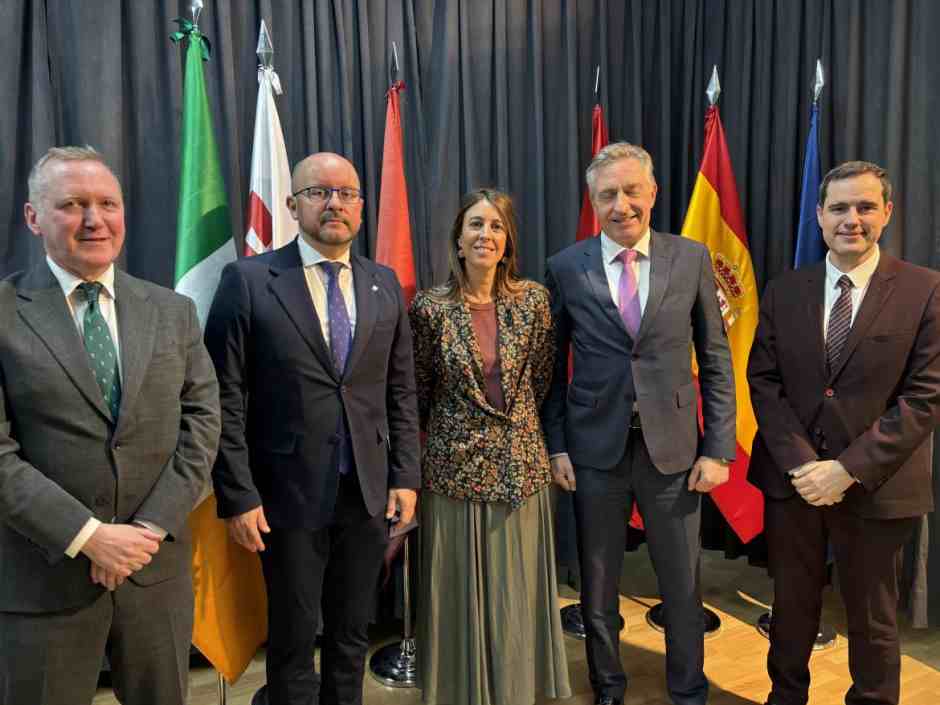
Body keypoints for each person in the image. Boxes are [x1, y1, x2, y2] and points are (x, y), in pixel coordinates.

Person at [0, 146, 221, 705]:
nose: (94, 220)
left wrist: (146, 532)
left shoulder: (173, 311)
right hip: (44, 578)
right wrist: (90, 537)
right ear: (33, 217)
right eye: (72, 204)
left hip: (154, 572)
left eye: (107, 203)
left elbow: (202, 424)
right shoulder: (4, 312)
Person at [204, 152, 420, 705]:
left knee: (352, 632)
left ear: (362, 207)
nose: (334, 204)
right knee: (294, 636)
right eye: (319, 192)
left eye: (346, 193)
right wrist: (237, 493)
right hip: (285, 494)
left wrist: (406, 477)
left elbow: (400, 391)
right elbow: (222, 396)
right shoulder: (249, 281)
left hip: (368, 493)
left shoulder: (383, 284)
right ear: (292, 204)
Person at [542, 142, 736, 705]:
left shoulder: (692, 258)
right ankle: (608, 688)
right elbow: (550, 371)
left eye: (632, 191)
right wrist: (556, 446)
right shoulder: (565, 267)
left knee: (681, 586)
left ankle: (689, 691)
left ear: (652, 192)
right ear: (593, 201)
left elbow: (717, 358)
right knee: (597, 587)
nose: (621, 204)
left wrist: (718, 447)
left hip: (676, 453)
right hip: (592, 453)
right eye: (608, 194)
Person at [747, 161, 940, 705]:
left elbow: (925, 396)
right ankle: (785, 697)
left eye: (864, 207)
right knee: (791, 608)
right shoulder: (786, 289)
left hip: (878, 487)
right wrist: (806, 467)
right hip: (795, 483)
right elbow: (763, 381)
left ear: (887, 213)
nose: (851, 219)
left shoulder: (925, 290)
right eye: (838, 208)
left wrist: (847, 470)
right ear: (818, 215)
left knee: (873, 618)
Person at [410, 188, 571, 705]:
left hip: (521, 468)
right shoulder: (429, 308)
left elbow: (543, 383)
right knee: (457, 593)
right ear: (458, 241)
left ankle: (516, 688)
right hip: (453, 471)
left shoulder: (535, 301)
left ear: (508, 242)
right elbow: (419, 389)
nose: (486, 235)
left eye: (497, 226)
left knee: (515, 592)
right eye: (476, 225)